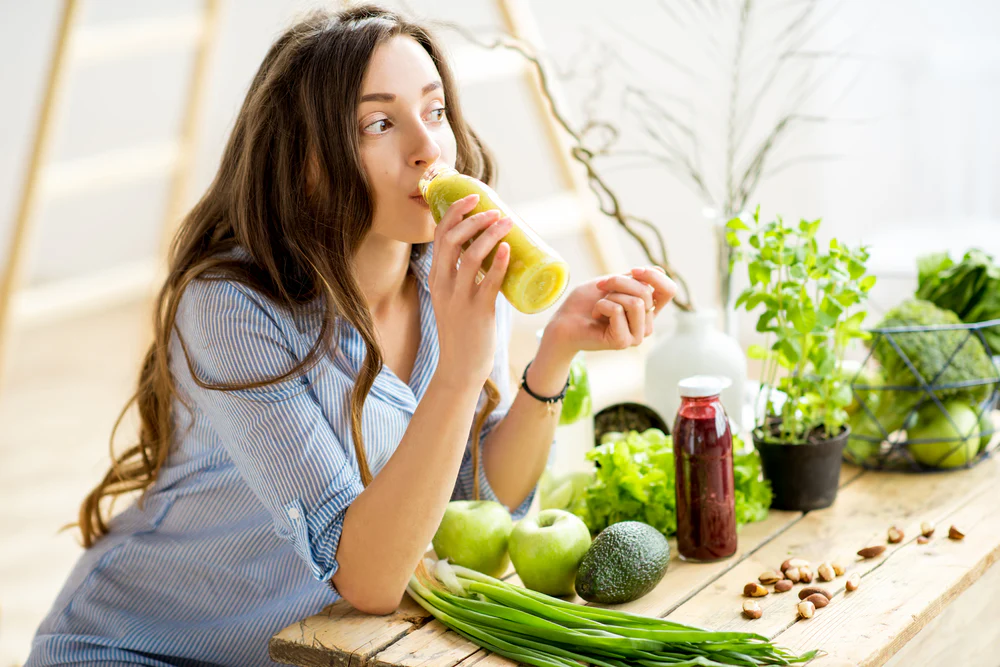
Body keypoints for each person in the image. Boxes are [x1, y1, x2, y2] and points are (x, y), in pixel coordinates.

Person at [25, 5, 675, 666]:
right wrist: (461, 366)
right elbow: (366, 577)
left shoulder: (446, 277)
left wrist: (554, 352)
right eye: (380, 123)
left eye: (436, 110)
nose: (427, 148)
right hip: (139, 648)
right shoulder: (230, 310)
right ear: (307, 162)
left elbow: (475, 503)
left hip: (305, 651)